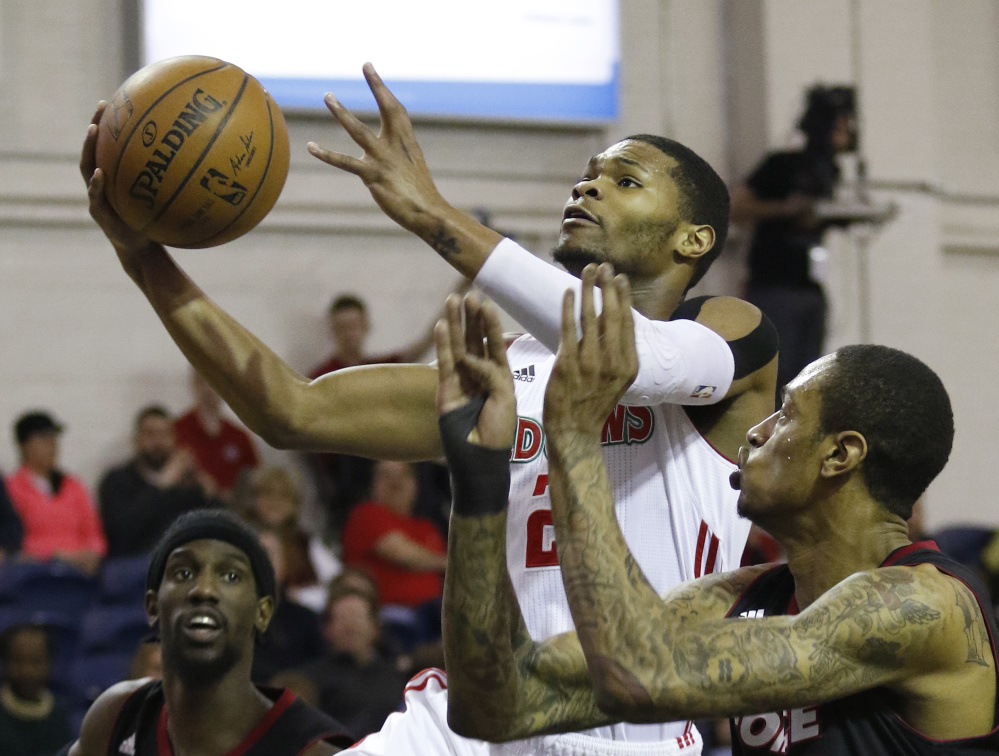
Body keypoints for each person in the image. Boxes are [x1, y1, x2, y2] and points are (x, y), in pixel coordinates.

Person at [81, 62, 778, 755]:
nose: (589, 183)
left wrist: (430, 213)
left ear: (693, 239)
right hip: (473, 716)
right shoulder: (505, 369)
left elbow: (633, 357)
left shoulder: (728, 331)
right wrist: (144, 259)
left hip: (627, 729)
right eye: (589, 171)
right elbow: (291, 410)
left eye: (624, 179)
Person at [435, 273, 998, 752]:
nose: (756, 432)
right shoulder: (739, 599)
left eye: (785, 415)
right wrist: (481, 483)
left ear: (839, 454)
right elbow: (496, 704)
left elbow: (641, 675)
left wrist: (578, 433)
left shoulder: (924, 606)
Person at [64, 509, 354, 756]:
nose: (204, 590)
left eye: (230, 576)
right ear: (152, 606)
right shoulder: (117, 716)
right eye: (184, 573)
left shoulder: (310, 749)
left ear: (262, 612)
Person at [730, 85, 857, 393]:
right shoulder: (781, 165)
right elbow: (735, 206)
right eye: (840, 126)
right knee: (775, 374)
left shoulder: (832, 171)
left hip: (809, 287)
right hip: (775, 286)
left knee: (809, 377)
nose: (847, 134)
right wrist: (786, 208)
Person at [341, 461, 446, 649]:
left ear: (415, 483)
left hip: (436, 618)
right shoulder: (366, 514)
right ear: (373, 483)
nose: (395, 483)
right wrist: (451, 563)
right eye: (386, 475)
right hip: (389, 621)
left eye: (403, 475)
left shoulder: (428, 528)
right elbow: (402, 553)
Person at [98, 405, 220, 558]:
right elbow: (123, 534)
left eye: (164, 434)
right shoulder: (116, 480)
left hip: (181, 561)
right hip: (133, 564)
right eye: (150, 434)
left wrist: (208, 490)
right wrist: (162, 484)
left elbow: (218, 523)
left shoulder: (184, 483)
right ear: (136, 439)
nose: (157, 441)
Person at [298, 585, 406, 739]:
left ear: (375, 627)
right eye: (342, 617)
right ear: (327, 628)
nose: (350, 626)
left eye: (357, 617)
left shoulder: (397, 677)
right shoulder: (309, 680)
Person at [6, 411, 106, 575]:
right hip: (34, 574)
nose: (52, 445)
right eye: (44, 438)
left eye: (54, 439)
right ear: (24, 445)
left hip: (79, 572)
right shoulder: (12, 488)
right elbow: (13, 541)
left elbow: (93, 533)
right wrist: (53, 555)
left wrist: (92, 554)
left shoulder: (73, 485)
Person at [240, 466, 341, 613]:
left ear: (294, 504)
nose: (274, 502)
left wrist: (300, 596)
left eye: (283, 496)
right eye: (268, 493)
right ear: (255, 498)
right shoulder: (241, 535)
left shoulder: (304, 542)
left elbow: (337, 582)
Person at [173, 369, 259, 499]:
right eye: (203, 381)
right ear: (194, 384)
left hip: (229, 511)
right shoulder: (177, 429)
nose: (209, 388)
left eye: (216, 382)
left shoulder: (239, 436)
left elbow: (254, 477)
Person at [0, 623, 73, 756]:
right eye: (18, 660)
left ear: (50, 662)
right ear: (5, 662)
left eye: (36, 661)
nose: (28, 671)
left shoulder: (58, 715)